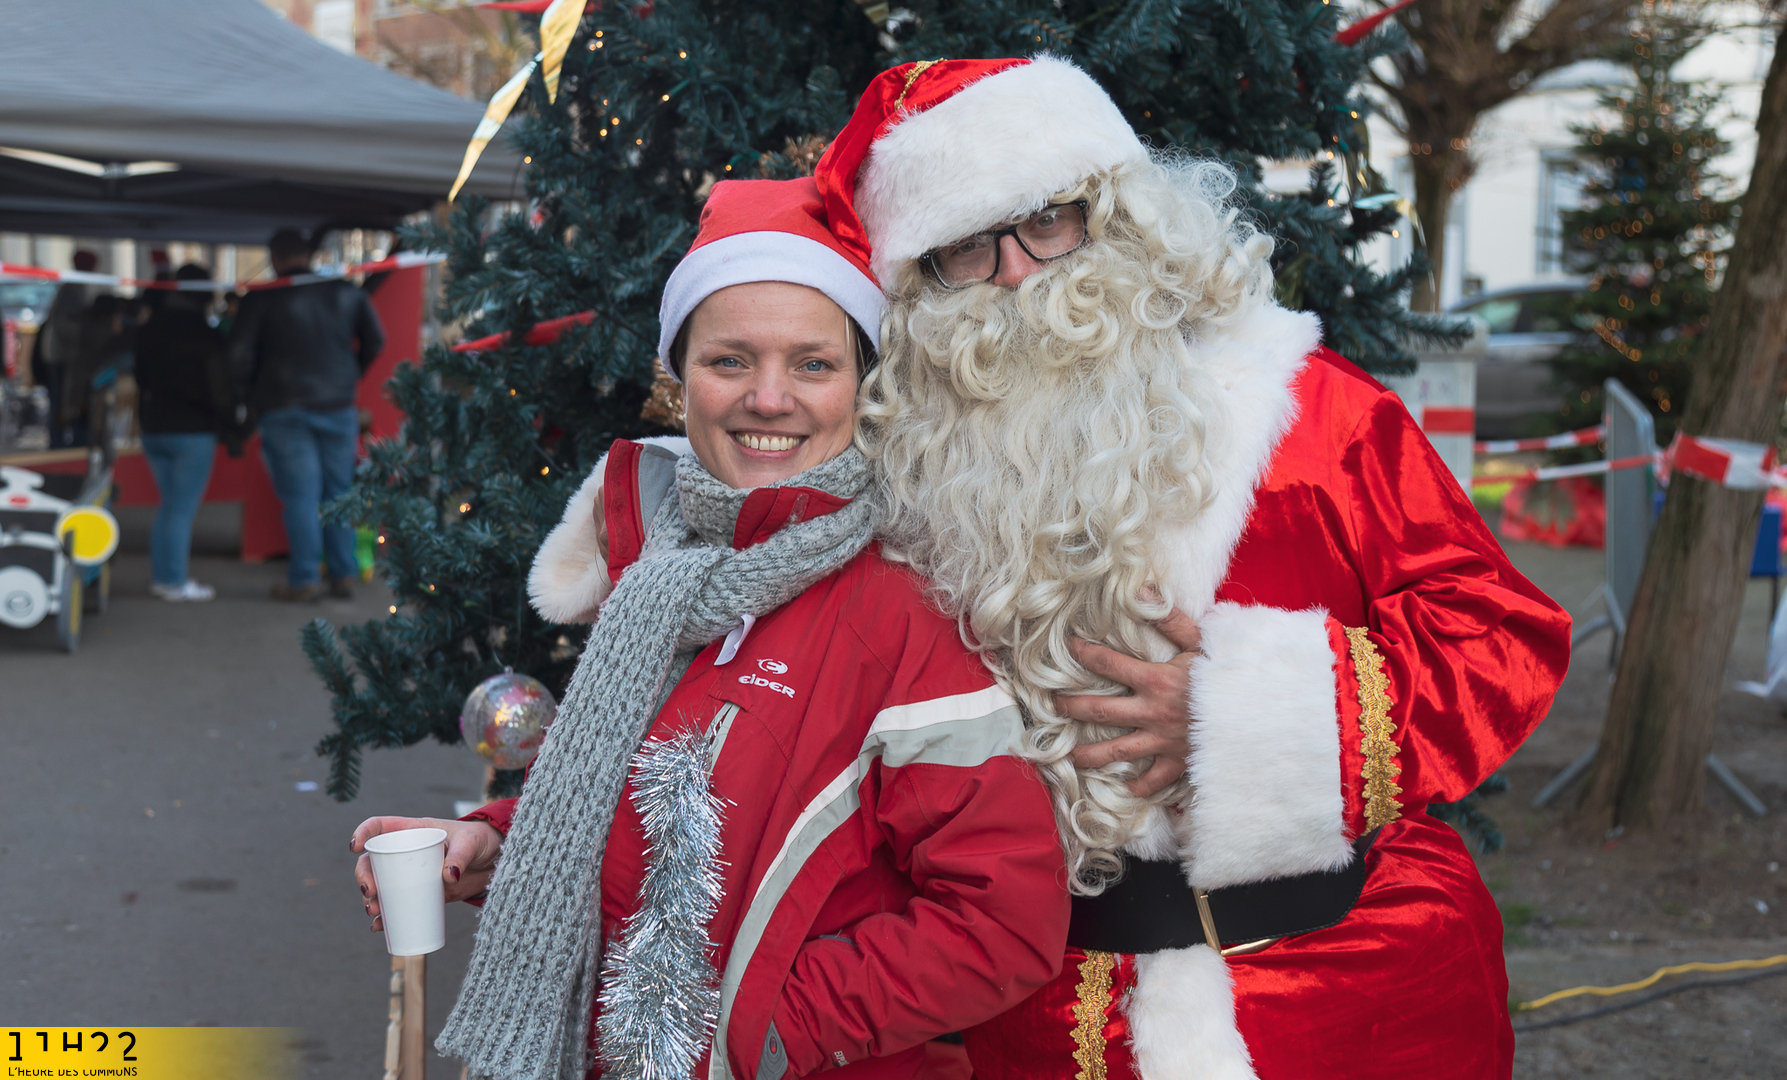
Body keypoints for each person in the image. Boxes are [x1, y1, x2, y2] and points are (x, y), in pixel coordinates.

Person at [798, 57, 1573, 1079]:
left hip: (1348, 996)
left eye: (1047, 221)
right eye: (967, 249)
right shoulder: (903, 479)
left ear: (1118, 215)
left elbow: (1498, 637)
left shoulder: (1306, 410)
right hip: (1041, 1028)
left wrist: (1245, 721)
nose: (1019, 273)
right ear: (919, 286)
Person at [349, 179, 1068, 1080]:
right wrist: (496, 841)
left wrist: (756, 1030)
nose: (768, 398)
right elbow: (627, 803)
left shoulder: (910, 605)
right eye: (729, 360)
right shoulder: (661, 568)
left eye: (813, 364)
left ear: (862, 384)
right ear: (676, 376)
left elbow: (1002, 923)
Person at [229, 228, 384, 601]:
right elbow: (376, 340)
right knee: (339, 493)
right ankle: (343, 573)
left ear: (274, 258)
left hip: (283, 405)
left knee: (300, 496)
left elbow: (238, 354)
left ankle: (304, 578)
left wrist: (246, 396)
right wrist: (350, 375)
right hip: (338, 405)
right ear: (310, 255)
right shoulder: (346, 291)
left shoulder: (262, 297)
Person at [134, 264, 231, 602]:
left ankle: (163, 577)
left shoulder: (150, 328)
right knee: (180, 509)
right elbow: (220, 385)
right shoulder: (206, 334)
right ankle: (173, 581)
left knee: (169, 507)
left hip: (154, 426)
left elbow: (140, 377)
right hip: (194, 429)